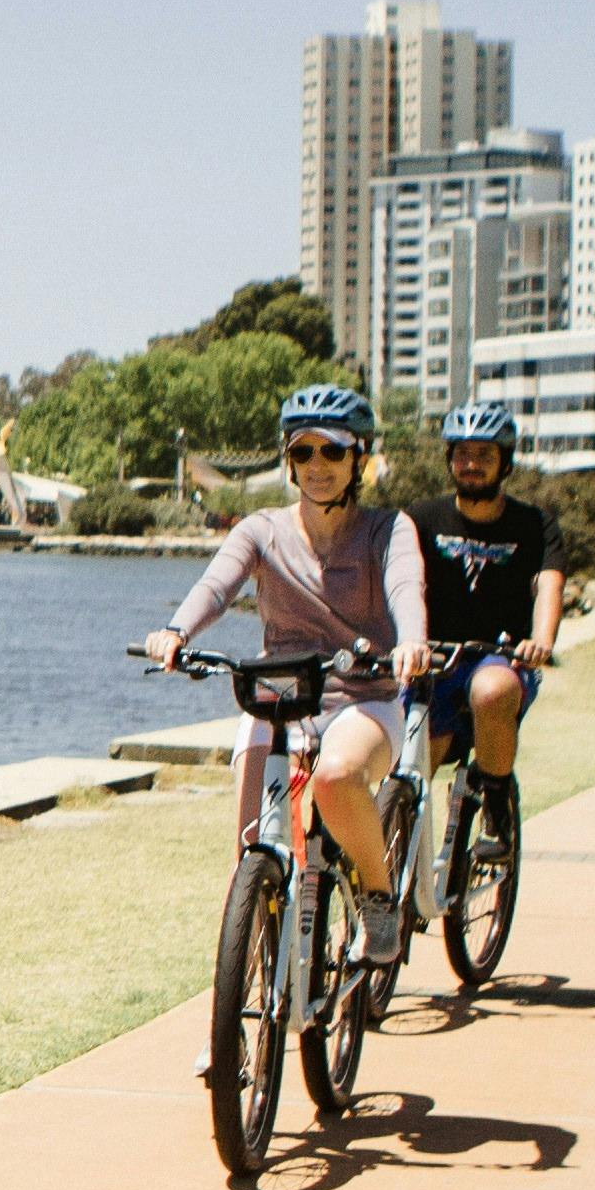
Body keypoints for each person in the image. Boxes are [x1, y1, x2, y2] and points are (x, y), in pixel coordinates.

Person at [137, 381, 433, 947]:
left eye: (333, 450)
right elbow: (217, 585)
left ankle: (377, 894)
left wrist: (412, 640)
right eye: (303, 451)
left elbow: (404, 586)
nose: (317, 464)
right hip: (279, 695)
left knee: (337, 776)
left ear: (359, 457)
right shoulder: (261, 530)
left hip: (362, 696)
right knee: (253, 850)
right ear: (288, 460)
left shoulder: (387, 529)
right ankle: (244, 1007)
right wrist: (176, 631)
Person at [414, 396, 565, 784]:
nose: (471, 464)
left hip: (501, 658)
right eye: (462, 453)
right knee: (411, 770)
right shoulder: (421, 519)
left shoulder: (534, 524)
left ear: (505, 461)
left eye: (484, 454)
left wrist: (541, 643)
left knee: (492, 690)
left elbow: (549, 583)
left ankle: (496, 798)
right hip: (432, 662)